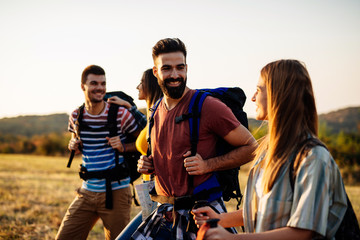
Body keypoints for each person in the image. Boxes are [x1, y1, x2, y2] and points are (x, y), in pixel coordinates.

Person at [192, 59, 348, 240]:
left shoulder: (313, 157)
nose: (252, 98)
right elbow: (264, 211)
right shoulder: (267, 150)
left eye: (258, 90)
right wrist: (219, 219)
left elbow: (304, 231)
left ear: (278, 95)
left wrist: (232, 239)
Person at [132, 38, 258, 240]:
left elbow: (252, 147)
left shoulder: (208, 106)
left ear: (186, 68)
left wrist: (208, 165)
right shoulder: (155, 111)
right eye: (166, 68)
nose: (175, 75)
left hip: (201, 215)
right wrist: (150, 163)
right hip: (165, 214)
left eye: (180, 67)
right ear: (155, 72)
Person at [56, 65, 142, 240]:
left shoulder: (120, 114)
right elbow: (77, 142)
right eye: (94, 83)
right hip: (87, 191)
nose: (100, 88)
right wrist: (72, 145)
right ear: (83, 86)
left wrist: (124, 147)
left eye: (103, 83)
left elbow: (146, 142)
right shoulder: (76, 116)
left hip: (117, 192)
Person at [107, 69, 163, 240]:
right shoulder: (152, 112)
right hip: (148, 189)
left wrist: (129, 108)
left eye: (141, 83)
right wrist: (129, 107)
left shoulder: (161, 112)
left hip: (160, 192)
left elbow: (152, 132)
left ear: (151, 85)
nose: (138, 86)